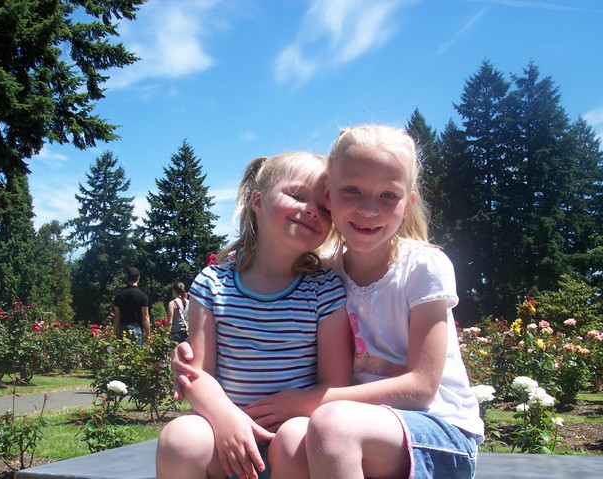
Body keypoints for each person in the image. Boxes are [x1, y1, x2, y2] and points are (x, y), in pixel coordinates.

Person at [172, 125, 484, 478]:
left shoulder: (422, 265)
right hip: (351, 427)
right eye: (351, 190)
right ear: (332, 197)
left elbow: (421, 387)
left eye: (388, 195)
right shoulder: (324, 270)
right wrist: (188, 371)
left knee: (328, 426)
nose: (369, 209)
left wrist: (306, 402)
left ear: (408, 203)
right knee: (322, 429)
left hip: (436, 427)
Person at [155, 152, 353, 479]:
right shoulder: (212, 282)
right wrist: (226, 419)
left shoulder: (325, 290)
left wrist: (294, 409)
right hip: (225, 438)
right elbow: (197, 373)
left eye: (324, 207)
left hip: (290, 444)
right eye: (298, 196)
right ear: (258, 202)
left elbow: (334, 386)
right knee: (180, 439)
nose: (312, 210)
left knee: (296, 438)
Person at [113, 267, 150, 346]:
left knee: (122, 356)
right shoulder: (142, 296)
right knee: (136, 356)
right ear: (138, 278)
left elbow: (117, 316)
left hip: (122, 328)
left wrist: (115, 332)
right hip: (136, 328)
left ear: (127, 278)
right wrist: (148, 334)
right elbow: (145, 317)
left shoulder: (119, 295)